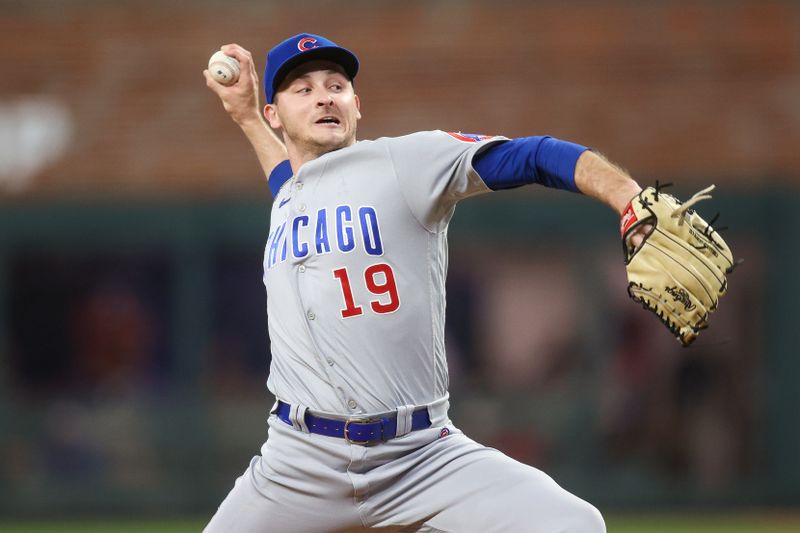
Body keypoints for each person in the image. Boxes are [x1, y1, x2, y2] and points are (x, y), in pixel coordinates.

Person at [203, 32, 642, 533]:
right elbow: (291, 180)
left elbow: (533, 155)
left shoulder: (405, 163)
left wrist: (629, 197)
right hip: (297, 462)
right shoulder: (290, 197)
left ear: (356, 105)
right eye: (302, 89)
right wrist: (244, 117)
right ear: (275, 114)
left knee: (575, 524)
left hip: (419, 455)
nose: (324, 95)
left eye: (336, 85)